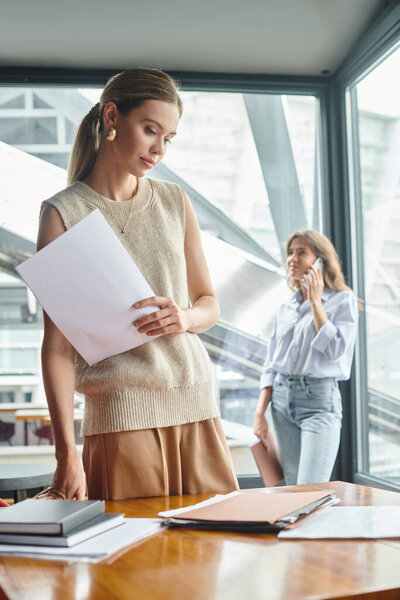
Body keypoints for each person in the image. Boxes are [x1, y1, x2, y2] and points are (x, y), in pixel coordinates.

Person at [36, 68, 238, 500]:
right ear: (112, 116)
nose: (159, 149)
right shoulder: (62, 214)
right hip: (120, 418)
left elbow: (209, 305)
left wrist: (184, 317)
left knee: (211, 560)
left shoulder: (174, 201)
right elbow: (58, 348)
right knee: (138, 566)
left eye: (169, 138)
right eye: (150, 130)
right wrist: (66, 454)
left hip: (197, 407)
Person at [253, 230, 358, 485]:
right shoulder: (285, 307)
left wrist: (315, 303)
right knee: (291, 489)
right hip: (281, 400)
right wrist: (260, 411)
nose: (293, 259)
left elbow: (336, 351)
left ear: (320, 261)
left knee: (309, 490)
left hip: (319, 402)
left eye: (302, 252)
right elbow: (272, 363)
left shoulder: (343, 300)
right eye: (290, 253)